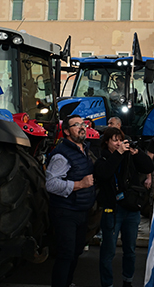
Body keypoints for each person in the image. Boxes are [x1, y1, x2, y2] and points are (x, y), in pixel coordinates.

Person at [94, 127, 154, 287]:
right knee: (108, 251)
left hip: (131, 208)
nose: (119, 143)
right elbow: (104, 173)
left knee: (130, 250)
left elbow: (148, 167)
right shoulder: (103, 159)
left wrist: (137, 153)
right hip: (112, 209)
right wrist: (118, 154)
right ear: (107, 142)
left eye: (121, 140)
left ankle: (128, 281)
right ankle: (107, 284)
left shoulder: (129, 157)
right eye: (115, 140)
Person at [45, 114, 96, 287]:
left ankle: (67, 283)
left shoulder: (83, 150)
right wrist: (79, 184)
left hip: (81, 210)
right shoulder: (62, 155)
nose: (82, 127)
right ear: (66, 131)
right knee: (66, 254)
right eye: (76, 125)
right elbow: (51, 184)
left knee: (75, 252)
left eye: (83, 124)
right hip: (65, 211)